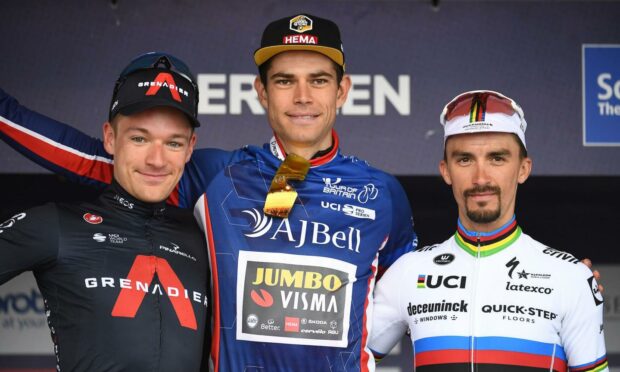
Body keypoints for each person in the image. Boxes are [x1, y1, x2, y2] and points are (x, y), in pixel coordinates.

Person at [0, 14, 417, 371]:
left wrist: (365, 354)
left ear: (341, 91)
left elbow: (407, 297)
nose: (303, 97)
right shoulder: (216, 175)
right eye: (285, 80)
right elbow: (94, 157)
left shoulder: (382, 193)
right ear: (262, 92)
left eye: (319, 80)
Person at [369, 90, 608, 371]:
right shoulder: (408, 273)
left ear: (523, 168)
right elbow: (339, 357)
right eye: (465, 160)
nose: (480, 178)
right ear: (446, 171)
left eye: (497, 158)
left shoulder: (571, 278)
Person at [0, 53, 210, 371]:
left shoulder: (207, 234)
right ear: (111, 139)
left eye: (174, 143)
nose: (156, 160)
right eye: (139, 138)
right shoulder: (56, 225)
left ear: (191, 147)